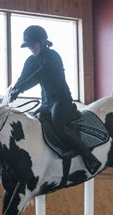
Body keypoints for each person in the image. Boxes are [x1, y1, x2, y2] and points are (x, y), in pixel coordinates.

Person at [9, 25, 101, 174]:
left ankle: (88, 156)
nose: (31, 48)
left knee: (58, 125)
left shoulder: (52, 57)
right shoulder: (31, 61)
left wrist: (20, 89)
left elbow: (39, 75)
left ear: (42, 42)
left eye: (32, 44)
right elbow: (23, 77)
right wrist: (12, 91)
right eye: (29, 46)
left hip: (61, 100)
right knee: (33, 121)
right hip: (46, 102)